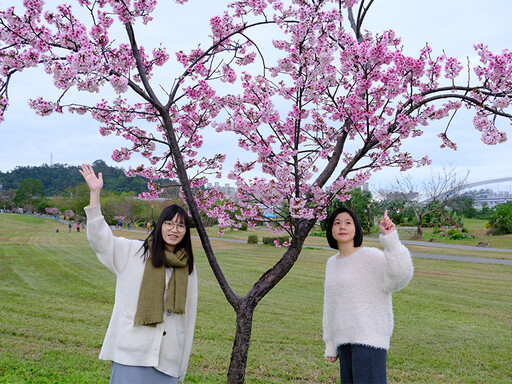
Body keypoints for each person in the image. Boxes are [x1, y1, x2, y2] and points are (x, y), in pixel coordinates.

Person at [79, 163, 198, 384]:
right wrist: (95, 194)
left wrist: (182, 365)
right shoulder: (133, 252)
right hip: (131, 354)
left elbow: (188, 319)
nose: (174, 230)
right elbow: (100, 240)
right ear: (160, 226)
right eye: (169, 223)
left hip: (167, 360)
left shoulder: (187, 267)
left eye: (181, 226)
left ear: (186, 232)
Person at [323, 207, 414, 384]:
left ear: (356, 229)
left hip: (369, 340)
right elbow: (330, 304)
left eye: (348, 223)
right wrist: (331, 343)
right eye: (337, 223)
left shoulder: (370, 256)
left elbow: (400, 276)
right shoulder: (332, 263)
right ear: (331, 230)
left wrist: (391, 239)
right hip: (345, 342)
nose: (342, 227)